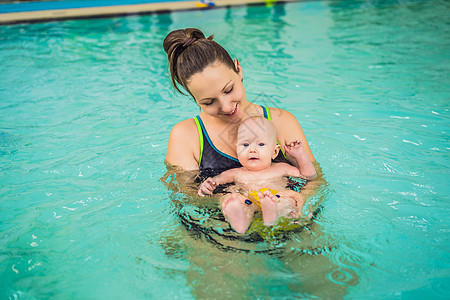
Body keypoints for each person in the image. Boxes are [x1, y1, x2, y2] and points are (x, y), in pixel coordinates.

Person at [163, 28, 317, 234]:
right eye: (209, 102)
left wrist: (296, 202)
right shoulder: (186, 136)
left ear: (238, 69)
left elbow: (315, 181)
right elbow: (185, 198)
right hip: (220, 233)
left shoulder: (281, 122)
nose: (226, 107)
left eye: (228, 90)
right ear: (194, 99)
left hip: (289, 225)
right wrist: (230, 200)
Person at [198, 116, 316, 232]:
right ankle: (240, 223)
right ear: (237, 149)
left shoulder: (281, 168)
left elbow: (308, 176)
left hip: (276, 197)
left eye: (260, 144)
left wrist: (301, 156)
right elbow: (215, 181)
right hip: (249, 201)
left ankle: (272, 215)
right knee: (232, 199)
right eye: (245, 145)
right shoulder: (235, 173)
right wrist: (207, 185)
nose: (252, 150)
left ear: (274, 151)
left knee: (287, 200)